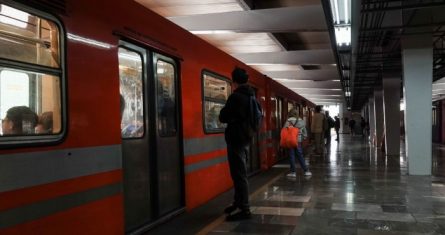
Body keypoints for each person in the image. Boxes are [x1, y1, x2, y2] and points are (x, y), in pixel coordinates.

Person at [219, 67, 255, 221]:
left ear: (234, 81)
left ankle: (245, 209)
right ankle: (238, 202)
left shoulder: (236, 97)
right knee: (239, 173)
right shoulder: (251, 96)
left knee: (238, 174)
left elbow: (223, 116)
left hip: (236, 139)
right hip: (245, 138)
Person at [284, 108, 312, 177]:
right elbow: (305, 133)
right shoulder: (301, 121)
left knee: (292, 155)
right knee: (300, 155)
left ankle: (293, 172)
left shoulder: (289, 121)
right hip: (298, 141)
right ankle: (306, 171)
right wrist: (301, 138)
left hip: (291, 140)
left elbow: (284, 130)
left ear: (290, 113)